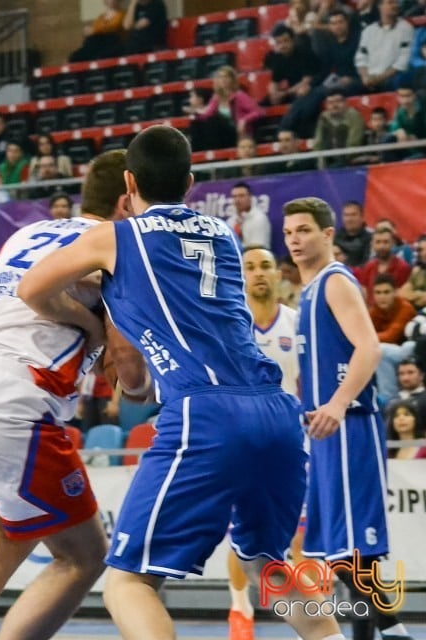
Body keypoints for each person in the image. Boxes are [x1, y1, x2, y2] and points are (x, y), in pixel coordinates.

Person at [18, 126, 343, 640]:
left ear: (128, 183)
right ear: (190, 182)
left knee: (126, 583)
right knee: (269, 568)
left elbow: (30, 286)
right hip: (277, 411)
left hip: (204, 413)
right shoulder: (223, 237)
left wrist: (91, 322)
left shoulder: (114, 237)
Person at [0, 150, 142, 640]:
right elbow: (127, 370)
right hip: (10, 395)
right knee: (83, 556)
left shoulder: (29, 233)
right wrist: (106, 341)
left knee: (7, 531)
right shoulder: (117, 243)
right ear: (127, 199)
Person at [283, 196, 413, 640]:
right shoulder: (309, 291)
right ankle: (387, 629)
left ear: (328, 234)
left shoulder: (335, 282)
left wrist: (337, 404)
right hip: (324, 430)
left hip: (349, 422)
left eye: (303, 230)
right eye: (288, 232)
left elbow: (370, 348)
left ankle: (392, 629)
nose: (294, 239)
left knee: (351, 548)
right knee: (342, 550)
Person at [226, 246, 301, 640]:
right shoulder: (230, 326)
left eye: (265, 266)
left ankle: (309, 615)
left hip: (289, 441)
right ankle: (240, 612)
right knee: (242, 535)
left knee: (299, 536)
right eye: (250, 267)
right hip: (240, 441)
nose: (258, 273)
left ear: (278, 274)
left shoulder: (296, 322)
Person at [189, 66, 264, 152]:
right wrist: (196, 112)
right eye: (220, 77)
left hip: (237, 132)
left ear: (232, 79)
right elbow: (207, 114)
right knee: (195, 122)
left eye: (226, 77)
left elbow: (258, 112)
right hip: (223, 133)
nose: (223, 80)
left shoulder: (239, 95)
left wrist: (244, 120)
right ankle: (197, 152)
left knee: (214, 121)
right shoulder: (216, 97)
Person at [228, 182, 271, 249]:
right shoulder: (230, 221)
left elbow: (258, 247)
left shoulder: (259, 218)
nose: (237, 200)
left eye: (241, 196)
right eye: (234, 196)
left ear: (250, 197)